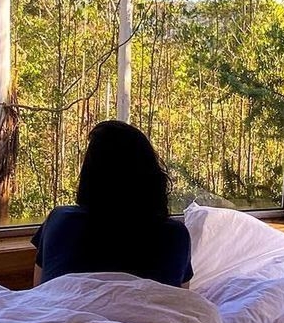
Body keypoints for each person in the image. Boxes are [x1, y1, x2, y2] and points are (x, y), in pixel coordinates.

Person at [31, 120, 192, 288]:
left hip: (64, 307)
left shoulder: (60, 221)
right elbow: (178, 299)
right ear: (151, 176)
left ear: (89, 176)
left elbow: (39, 293)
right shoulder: (175, 236)